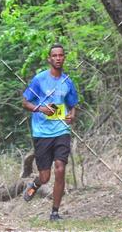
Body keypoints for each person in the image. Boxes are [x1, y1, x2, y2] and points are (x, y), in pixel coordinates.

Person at [21, 44, 79, 220]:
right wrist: (40, 109)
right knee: (45, 177)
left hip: (61, 130)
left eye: (61, 55)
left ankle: (55, 212)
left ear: (64, 58)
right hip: (42, 133)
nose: (58, 58)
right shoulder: (39, 80)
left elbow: (73, 104)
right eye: (54, 55)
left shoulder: (67, 81)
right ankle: (36, 184)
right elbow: (25, 102)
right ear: (49, 59)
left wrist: (72, 116)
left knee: (60, 169)